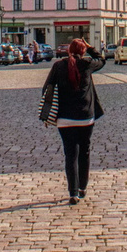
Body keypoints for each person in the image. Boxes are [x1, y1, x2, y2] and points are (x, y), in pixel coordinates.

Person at [38, 38, 107, 205]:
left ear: (69, 50)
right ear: (83, 51)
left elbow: (46, 89)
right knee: (85, 152)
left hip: (65, 119)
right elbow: (102, 60)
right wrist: (90, 48)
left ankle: (73, 193)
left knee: (70, 155)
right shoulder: (87, 64)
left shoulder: (58, 66)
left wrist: (48, 113)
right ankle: (83, 188)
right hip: (85, 118)